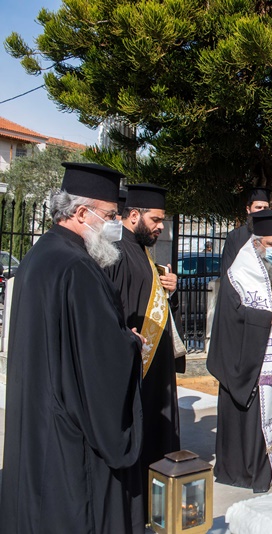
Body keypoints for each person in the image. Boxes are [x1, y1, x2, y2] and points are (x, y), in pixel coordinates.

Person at [0, 163, 145, 533]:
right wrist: (129, 343)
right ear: (81, 213)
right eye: (111, 215)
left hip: (40, 416)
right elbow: (99, 364)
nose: (115, 224)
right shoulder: (78, 267)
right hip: (72, 436)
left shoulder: (41, 255)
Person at [207, 209, 272, 491]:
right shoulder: (238, 274)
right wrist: (270, 319)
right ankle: (250, 470)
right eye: (271, 244)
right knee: (253, 418)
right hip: (250, 366)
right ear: (255, 243)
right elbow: (232, 318)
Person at [104, 183, 185, 515]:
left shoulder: (144, 254)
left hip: (157, 373)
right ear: (133, 215)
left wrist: (172, 291)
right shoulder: (117, 254)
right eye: (155, 219)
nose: (161, 227)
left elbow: (157, 308)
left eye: (163, 220)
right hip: (138, 370)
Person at [220, 187, 271, 275]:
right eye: (258, 207)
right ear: (248, 209)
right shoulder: (235, 237)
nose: (262, 211)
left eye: (265, 208)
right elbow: (228, 272)